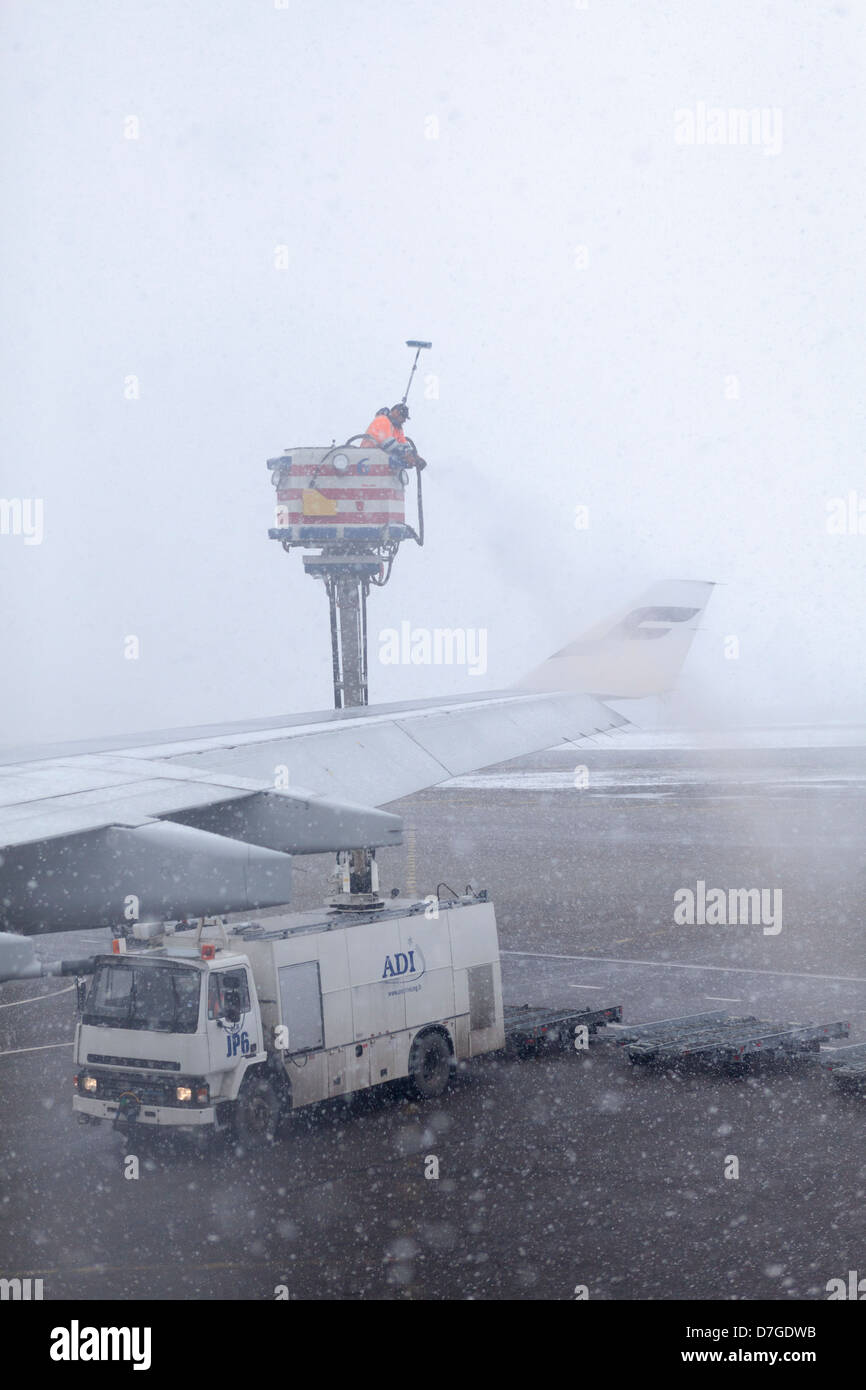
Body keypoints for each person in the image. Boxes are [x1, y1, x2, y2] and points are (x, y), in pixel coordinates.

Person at [362, 403, 426, 469]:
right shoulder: (382, 420)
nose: (404, 421)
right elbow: (388, 445)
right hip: (367, 458)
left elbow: (404, 445)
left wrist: (416, 458)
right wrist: (407, 456)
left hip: (380, 462)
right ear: (396, 413)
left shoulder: (397, 429)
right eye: (403, 417)